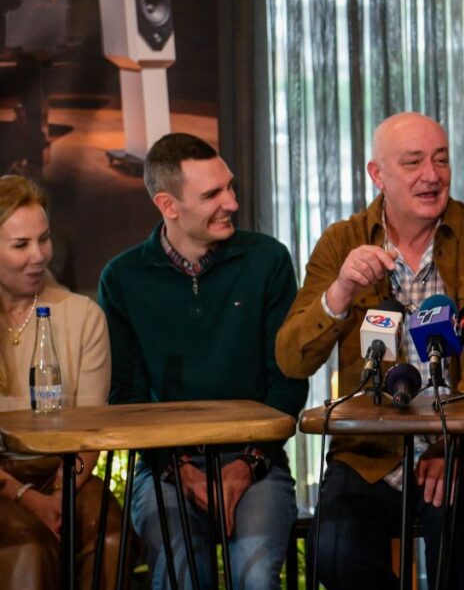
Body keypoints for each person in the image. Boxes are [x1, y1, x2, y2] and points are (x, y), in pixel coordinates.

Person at [275, 112, 464, 590]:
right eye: (413, 163)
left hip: (459, 442)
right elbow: (291, 358)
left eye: (441, 160)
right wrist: (340, 292)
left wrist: (452, 441)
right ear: (377, 175)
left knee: (454, 549)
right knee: (332, 556)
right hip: (368, 449)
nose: (432, 175)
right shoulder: (341, 241)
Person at [98, 133, 308, 589]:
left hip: (257, 460)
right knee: (183, 577)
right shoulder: (122, 278)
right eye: (212, 194)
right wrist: (184, 473)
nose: (232, 202)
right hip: (164, 464)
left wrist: (246, 465)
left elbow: (289, 381)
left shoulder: (268, 260)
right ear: (168, 205)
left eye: (229, 187)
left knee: (256, 579)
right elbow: (127, 399)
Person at [0, 174, 123, 589]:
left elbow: (91, 432)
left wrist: (58, 493)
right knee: (28, 546)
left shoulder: (83, 316)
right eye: (21, 244)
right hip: (2, 481)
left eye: (44, 239)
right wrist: (26, 497)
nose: (39, 256)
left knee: (110, 536)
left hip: (68, 474)